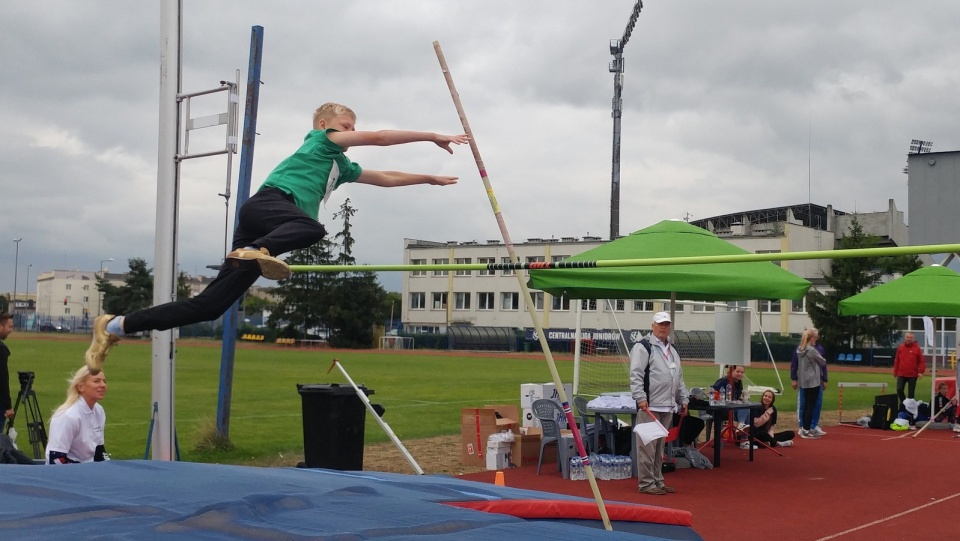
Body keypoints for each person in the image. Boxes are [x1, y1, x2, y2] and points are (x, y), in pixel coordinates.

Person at [85, 103, 469, 369]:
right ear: (327, 126)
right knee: (313, 227)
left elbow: (384, 177)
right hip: (268, 206)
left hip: (264, 228)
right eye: (348, 126)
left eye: (354, 127)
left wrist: (428, 177)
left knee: (209, 307)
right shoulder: (323, 141)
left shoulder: (341, 166)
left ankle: (117, 325)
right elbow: (382, 137)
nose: (352, 133)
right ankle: (258, 251)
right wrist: (431, 135)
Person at [630, 311, 689, 496]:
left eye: (666, 324)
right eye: (660, 324)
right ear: (652, 326)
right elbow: (636, 374)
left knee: (658, 448)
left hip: (668, 406)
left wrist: (683, 398)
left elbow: (678, 377)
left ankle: (657, 480)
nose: (663, 327)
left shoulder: (672, 350)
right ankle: (646, 484)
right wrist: (640, 398)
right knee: (646, 447)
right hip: (650, 405)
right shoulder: (643, 347)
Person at [45, 366, 109, 464]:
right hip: (66, 473)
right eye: (96, 381)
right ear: (81, 387)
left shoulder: (99, 411)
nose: (103, 385)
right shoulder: (68, 416)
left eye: (104, 381)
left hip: (88, 470)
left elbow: (99, 450)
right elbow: (56, 459)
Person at [790, 327, 828, 436]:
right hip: (813, 380)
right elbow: (822, 361)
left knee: (806, 404)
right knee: (811, 405)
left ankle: (806, 427)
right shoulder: (811, 350)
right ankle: (806, 428)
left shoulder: (799, 349)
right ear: (812, 338)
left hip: (804, 380)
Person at [893, 332, 925, 415]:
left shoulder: (917, 348)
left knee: (911, 394)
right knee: (899, 389)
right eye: (907, 337)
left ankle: (911, 412)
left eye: (910, 337)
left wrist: (921, 372)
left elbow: (921, 361)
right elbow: (897, 360)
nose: (909, 339)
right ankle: (905, 404)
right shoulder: (900, 347)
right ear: (905, 337)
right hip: (901, 373)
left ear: (913, 338)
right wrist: (895, 372)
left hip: (912, 375)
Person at [0, 312, 14, 422]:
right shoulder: (1, 349)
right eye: (9, 327)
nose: (11, 330)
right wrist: (8, 406)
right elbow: (3, 378)